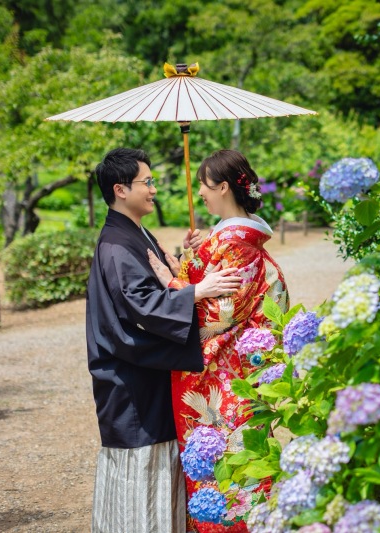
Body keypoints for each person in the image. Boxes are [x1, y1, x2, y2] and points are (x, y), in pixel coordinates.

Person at [86, 148, 243, 533]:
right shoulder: (116, 246)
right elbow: (143, 304)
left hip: (146, 371)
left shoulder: (133, 233)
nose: (155, 189)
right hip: (132, 380)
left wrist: (185, 262)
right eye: (148, 182)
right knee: (141, 484)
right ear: (120, 190)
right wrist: (196, 292)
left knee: (159, 480)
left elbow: (158, 282)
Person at [148, 149, 289, 532]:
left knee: (225, 460)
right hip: (239, 373)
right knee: (244, 455)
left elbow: (217, 314)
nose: (202, 195)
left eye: (205, 187)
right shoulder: (240, 238)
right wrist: (193, 258)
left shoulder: (233, 243)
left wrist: (171, 282)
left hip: (220, 376)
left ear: (224, 186)